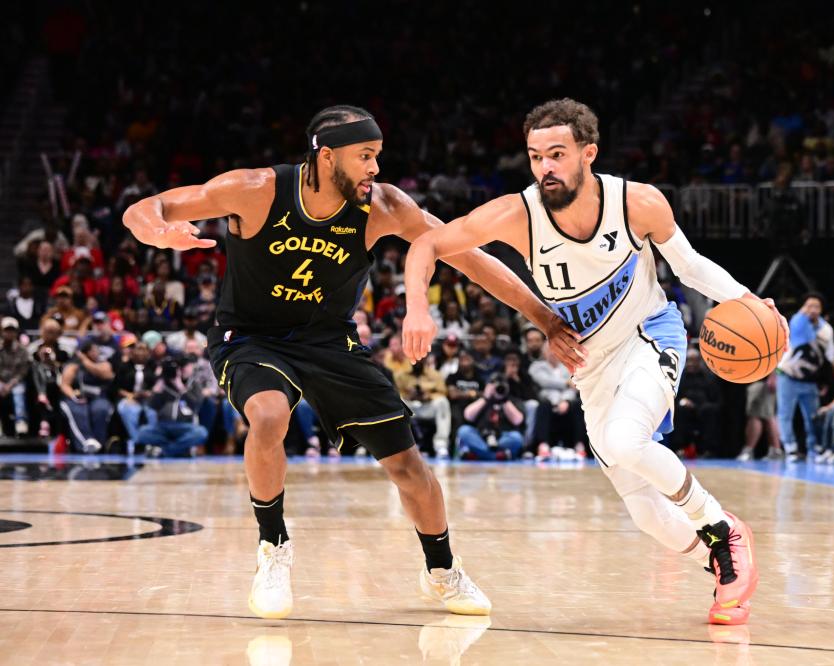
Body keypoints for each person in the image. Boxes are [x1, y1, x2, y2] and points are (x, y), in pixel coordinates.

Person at [123, 104, 582, 620]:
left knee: (407, 465)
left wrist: (544, 318)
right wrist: (156, 232)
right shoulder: (256, 190)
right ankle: (274, 547)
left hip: (330, 340)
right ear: (326, 155)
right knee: (269, 414)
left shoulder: (384, 205)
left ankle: (442, 572)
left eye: (377, 156)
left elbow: (468, 255)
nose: (375, 168)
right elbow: (148, 207)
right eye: (365, 156)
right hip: (252, 338)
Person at [403, 98, 785, 625]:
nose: (545, 168)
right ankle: (717, 561)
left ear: (589, 153)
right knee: (646, 514)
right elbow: (427, 244)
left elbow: (691, 268)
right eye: (536, 157)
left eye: (557, 155)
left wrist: (746, 299)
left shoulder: (639, 203)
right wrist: (417, 307)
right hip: (592, 364)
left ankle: (723, 528)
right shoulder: (516, 215)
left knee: (624, 441)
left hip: (650, 334)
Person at [775, 293, 834, 461]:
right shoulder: (796, 322)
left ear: (822, 309)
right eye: (809, 306)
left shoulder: (826, 330)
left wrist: (826, 380)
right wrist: (803, 314)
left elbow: (828, 357)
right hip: (788, 375)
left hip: (810, 380)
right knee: (785, 414)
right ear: (803, 307)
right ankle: (790, 448)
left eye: (816, 306)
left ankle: (813, 448)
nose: (813, 310)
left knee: (813, 416)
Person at [58, 339, 114, 453]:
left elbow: (106, 375)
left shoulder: (103, 363)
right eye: (93, 350)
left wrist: (85, 361)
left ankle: (99, 444)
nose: (97, 353)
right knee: (77, 410)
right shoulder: (73, 364)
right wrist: (73, 395)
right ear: (86, 352)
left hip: (98, 397)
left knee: (101, 409)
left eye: (97, 350)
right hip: (77, 398)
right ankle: (86, 442)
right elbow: (65, 384)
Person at [0, 317, 31, 435]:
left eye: (12, 330)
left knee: (19, 392)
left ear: (16, 332)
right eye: (7, 330)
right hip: (1, 381)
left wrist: (10, 385)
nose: (9, 333)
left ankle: (21, 422)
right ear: (2, 331)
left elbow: (23, 371)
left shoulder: (23, 350)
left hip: (16, 382)